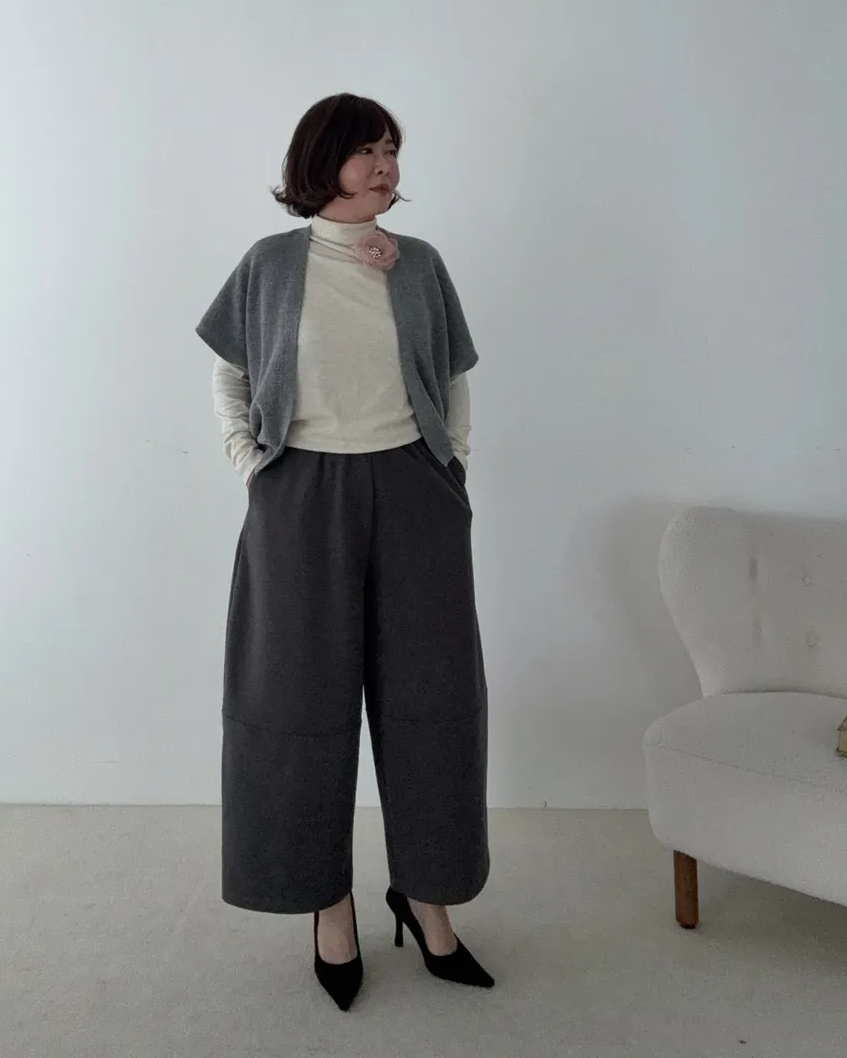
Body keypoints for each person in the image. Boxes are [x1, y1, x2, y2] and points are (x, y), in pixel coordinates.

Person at [196, 93, 493, 1011]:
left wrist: (452, 465)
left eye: (392, 149)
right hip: (300, 493)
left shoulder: (420, 263)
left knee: (433, 703)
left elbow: (453, 376)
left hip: (414, 488)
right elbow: (231, 371)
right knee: (293, 702)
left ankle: (428, 896)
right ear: (320, 161)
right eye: (367, 149)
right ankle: (327, 901)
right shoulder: (270, 263)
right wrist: (249, 460)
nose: (385, 165)